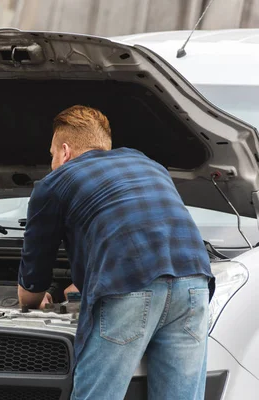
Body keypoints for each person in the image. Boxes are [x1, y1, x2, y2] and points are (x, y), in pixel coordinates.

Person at [17, 105, 214, 400]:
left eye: (52, 155)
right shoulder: (146, 162)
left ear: (65, 151)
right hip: (194, 281)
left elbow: (35, 272)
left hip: (130, 286)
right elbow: (130, 225)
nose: (52, 163)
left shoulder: (54, 183)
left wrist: (31, 302)